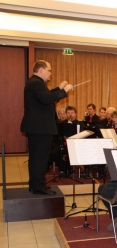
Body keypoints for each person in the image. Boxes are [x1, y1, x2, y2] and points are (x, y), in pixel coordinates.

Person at [21, 60, 73, 195]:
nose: (51, 73)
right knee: (39, 158)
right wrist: (64, 91)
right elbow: (47, 99)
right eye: (49, 70)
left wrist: (59, 88)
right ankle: (38, 186)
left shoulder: (36, 83)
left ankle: (36, 184)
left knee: (38, 157)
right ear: (41, 70)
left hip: (39, 127)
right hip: (40, 128)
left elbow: (47, 96)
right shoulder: (35, 83)